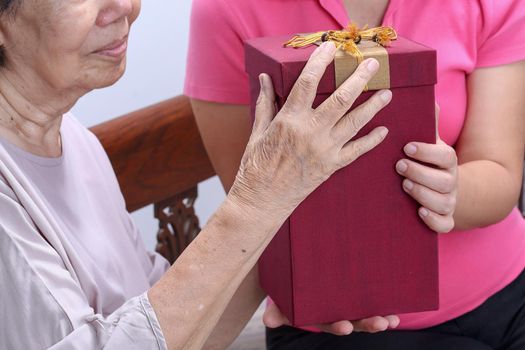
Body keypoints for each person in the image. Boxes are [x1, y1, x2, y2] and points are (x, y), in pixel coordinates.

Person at [0, 0, 399, 349]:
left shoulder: (72, 136)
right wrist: (257, 200)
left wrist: (283, 267)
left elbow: (168, 326)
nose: (124, 6)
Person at [185, 0, 525, 349]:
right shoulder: (226, 9)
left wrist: (451, 190)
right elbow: (254, 210)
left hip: (507, 295)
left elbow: (500, 174)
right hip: (334, 319)